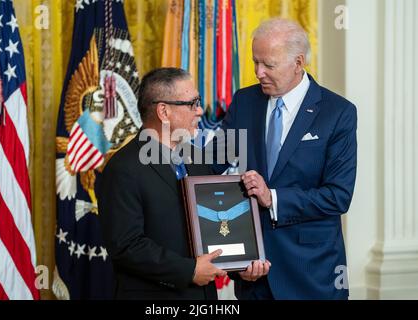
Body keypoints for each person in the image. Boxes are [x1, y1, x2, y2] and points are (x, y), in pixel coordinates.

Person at [97, 67, 269, 300]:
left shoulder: (197, 160)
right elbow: (126, 246)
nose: (199, 111)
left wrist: (242, 268)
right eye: (192, 103)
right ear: (164, 111)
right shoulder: (122, 169)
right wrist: (188, 271)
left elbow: (214, 228)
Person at [216, 18, 357, 300]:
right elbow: (214, 162)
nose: (258, 72)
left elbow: (338, 196)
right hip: (254, 274)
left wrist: (274, 198)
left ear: (298, 62)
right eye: (255, 62)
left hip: (311, 273)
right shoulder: (244, 101)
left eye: (268, 64)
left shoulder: (338, 112)